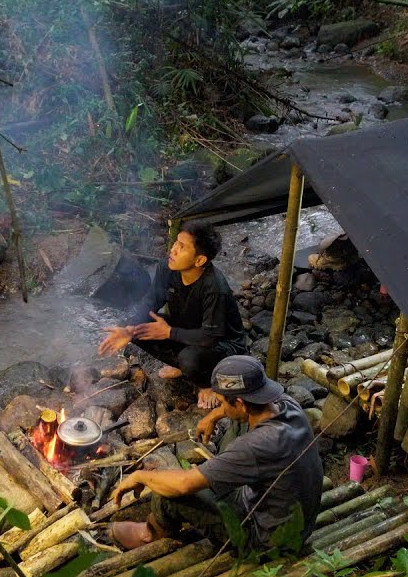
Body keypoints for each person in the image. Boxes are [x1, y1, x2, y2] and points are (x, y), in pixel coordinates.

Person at [108, 355, 323, 552]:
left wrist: (140, 476)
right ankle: (219, 472)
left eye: (221, 402)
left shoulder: (256, 446)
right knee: (238, 426)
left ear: (239, 403)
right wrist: (213, 416)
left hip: (270, 539)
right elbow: (243, 413)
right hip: (293, 519)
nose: (219, 406)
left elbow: (184, 484)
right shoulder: (287, 405)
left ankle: (153, 534)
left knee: (168, 495)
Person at [98, 221, 247, 409]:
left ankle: (207, 384)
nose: (173, 250)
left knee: (189, 359)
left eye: (182, 247)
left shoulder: (214, 287)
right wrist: (127, 328)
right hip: (188, 329)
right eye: (176, 243)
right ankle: (183, 369)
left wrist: (169, 333)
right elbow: (151, 302)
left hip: (223, 346)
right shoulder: (166, 268)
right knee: (138, 330)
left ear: (199, 260)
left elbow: (209, 337)